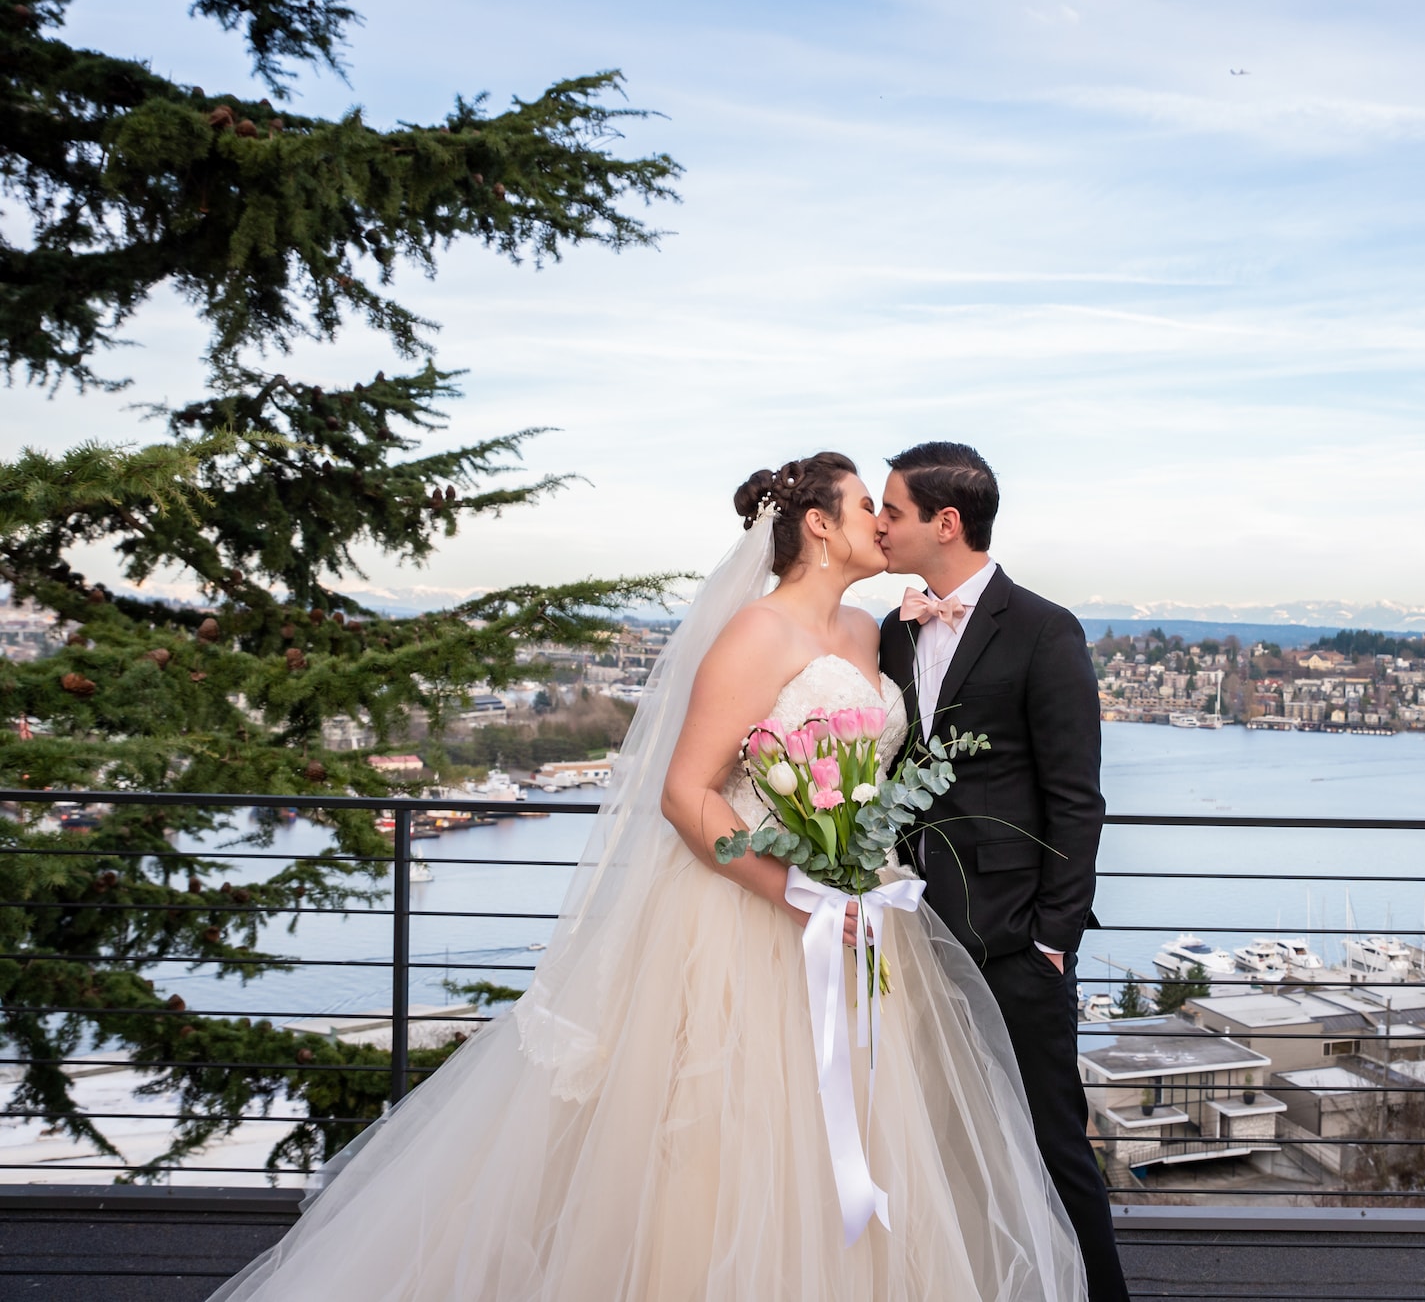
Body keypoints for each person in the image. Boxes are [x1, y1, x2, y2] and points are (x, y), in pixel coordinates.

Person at [208, 452, 1087, 1301]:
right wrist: (793, 888)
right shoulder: (755, 633)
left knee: (864, 1137)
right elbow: (684, 794)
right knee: (739, 1144)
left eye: (890, 511)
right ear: (820, 526)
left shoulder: (876, 629)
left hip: (870, 911)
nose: (880, 524)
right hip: (759, 914)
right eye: (868, 508)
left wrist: (858, 877)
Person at [875, 442, 1130, 1302]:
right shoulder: (892, 627)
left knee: (1053, 1142)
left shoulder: (1044, 629)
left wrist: (1053, 940)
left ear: (945, 523)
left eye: (892, 512)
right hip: (911, 934)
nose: (879, 525)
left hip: (1016, 942)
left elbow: (1076, 798)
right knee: (943, 1140)